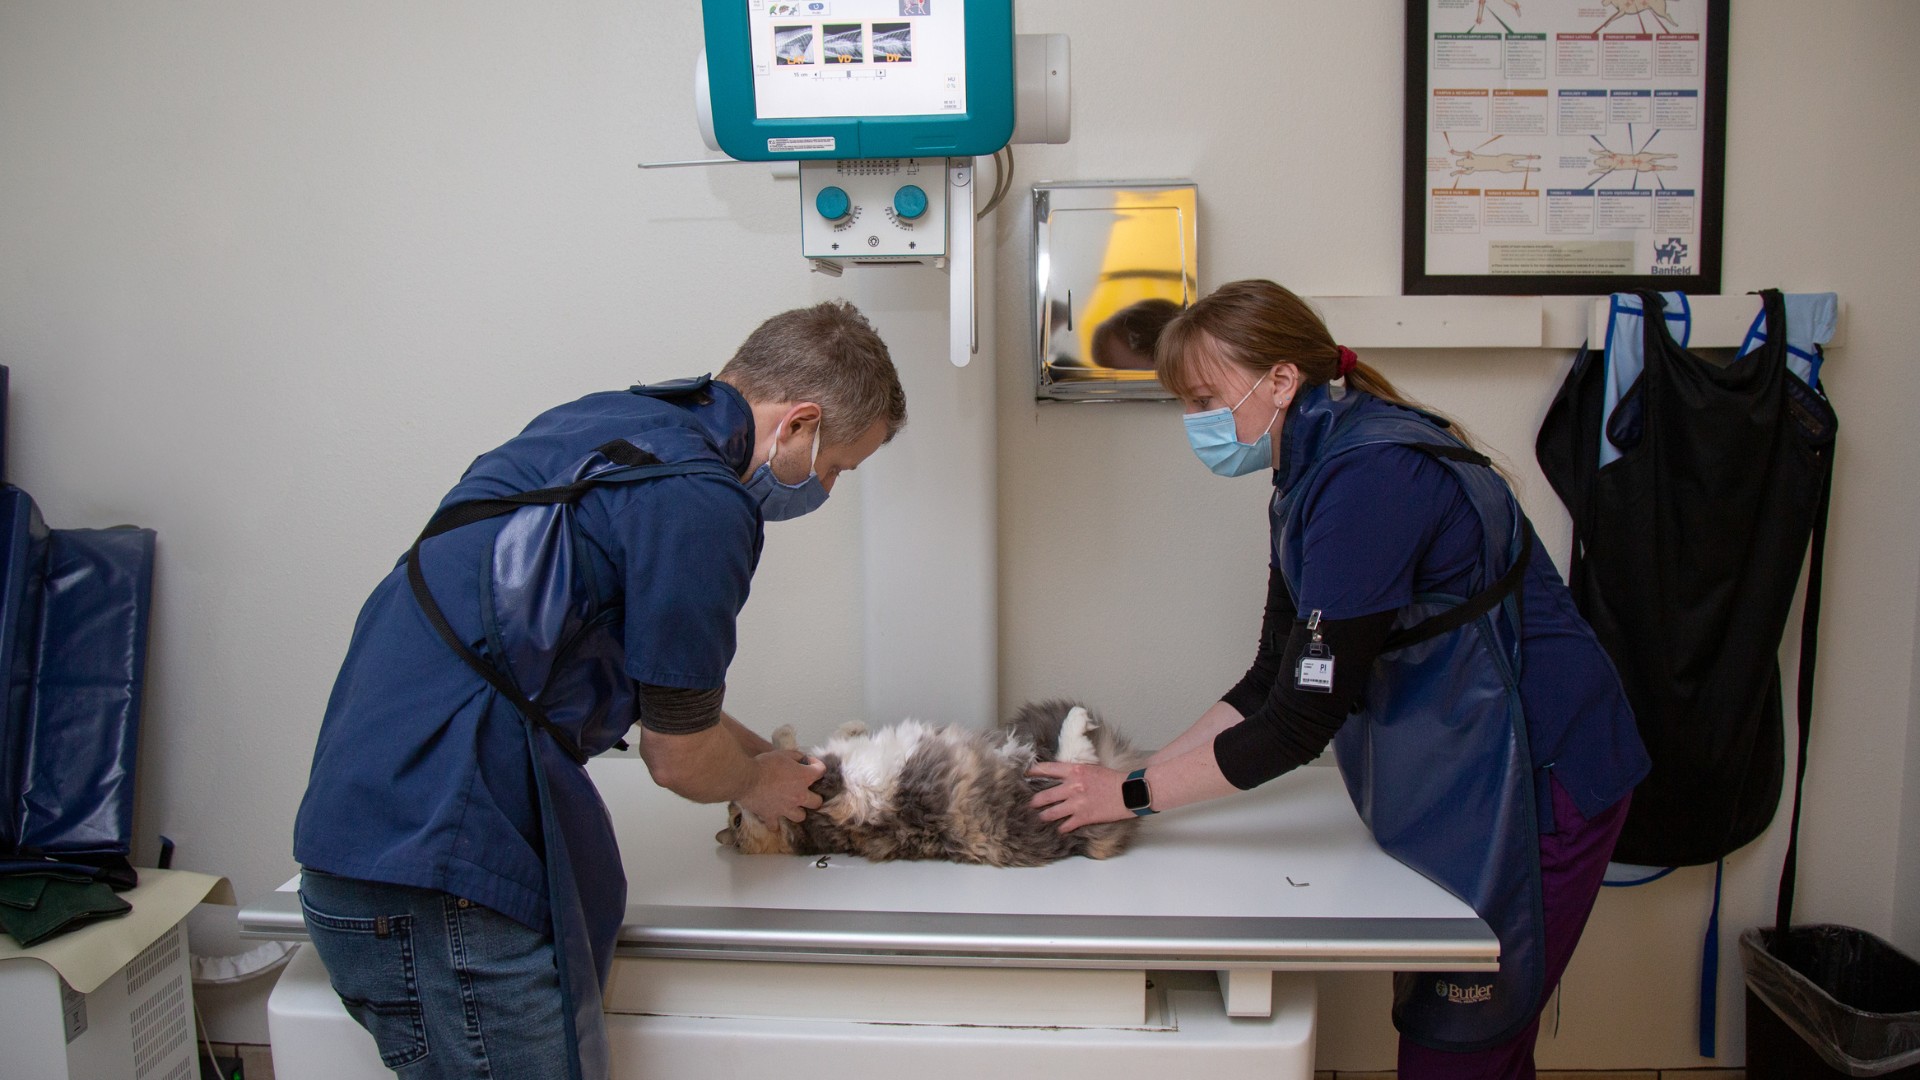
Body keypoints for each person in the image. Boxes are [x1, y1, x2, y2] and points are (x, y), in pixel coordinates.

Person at [1030, 280, 1650, 1079]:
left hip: (1545, 769)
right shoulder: (1309, 473)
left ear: (1282, 380)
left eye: (1204, 400)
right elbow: (1268, 679)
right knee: (1466, 1044)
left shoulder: (1371, 477)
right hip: (1475, 765)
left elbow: (1298, 721)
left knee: (1458, 1047)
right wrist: (1134, 775)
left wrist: (1131, 797)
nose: (1197, 425)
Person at [291, 300, 907, 1080]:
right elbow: (678, 759)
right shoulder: (701, 503)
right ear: (798, 423)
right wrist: (756, 786)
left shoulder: (611, 427)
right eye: (834, 466)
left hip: (374, 828)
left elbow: (667, 697)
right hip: (439, 868)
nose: (824, 487)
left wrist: (765, 756)